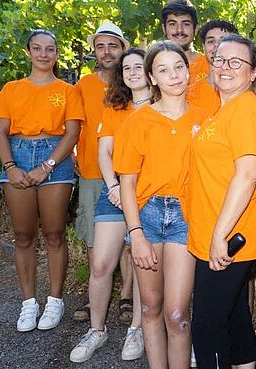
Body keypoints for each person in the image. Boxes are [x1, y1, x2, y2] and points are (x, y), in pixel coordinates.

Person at [115, 41, 209, 369]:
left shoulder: (206, 119)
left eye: (179, 67)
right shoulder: (138, 121)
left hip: (187, 216)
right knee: (151, 308)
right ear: (152, 78)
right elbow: (127, 183)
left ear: (189, 70)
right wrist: (136, 234)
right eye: (163, 70)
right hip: (149, 216)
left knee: (178, 314)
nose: (173, 75)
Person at [0, 29, 83, 332]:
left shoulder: (68, 90)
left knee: (54, 233)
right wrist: (11, 166)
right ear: (28, 52)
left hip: (54, 156)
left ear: (57, 54)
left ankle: (54, 300)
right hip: (17, 155)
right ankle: (28, 303)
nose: (44, 54)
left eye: (50, 49)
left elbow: (72, 133)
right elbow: (1, 131)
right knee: (23, 235)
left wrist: (47, 165)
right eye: (37, 48)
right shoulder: (11, 89)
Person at [188, 34, 256, 369]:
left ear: (253, 74)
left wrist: (220, 234)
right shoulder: (222, 110)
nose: (225, 67)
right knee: (234, 314)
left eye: (236, 62)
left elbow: (247, 176)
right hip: (216, 230)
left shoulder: (246, 110)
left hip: (228, 235)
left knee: (208, 326)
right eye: (220, 59)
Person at [69, 47, 150, 363]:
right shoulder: (115, 107)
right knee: (101, 263)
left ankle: (137, 327)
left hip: (150, 195)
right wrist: (114, 186)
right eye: (126, 68)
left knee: (144, 265)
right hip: (115, 193)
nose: (131, 72)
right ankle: (96, 330)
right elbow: (105, 153)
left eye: (138, 66)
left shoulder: (163, 106)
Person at [73, 21, 135, 323]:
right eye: (101, 46)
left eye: (113, 45)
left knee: (129, 239)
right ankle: (93, 296)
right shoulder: (84, 84)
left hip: (129, 173)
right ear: (94, 51)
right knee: (94, 239)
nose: (107, 51)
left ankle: (126, 295)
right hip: (91, 169)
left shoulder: (134, 83)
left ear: (123, 48)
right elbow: (75, 124)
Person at [161, 0, 220, 114]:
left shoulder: (211, 65)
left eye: (186, 24)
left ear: (196, 29)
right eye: (173, 24)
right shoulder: (155, 69)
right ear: (164, 28)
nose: (179, 30)